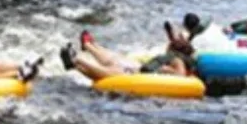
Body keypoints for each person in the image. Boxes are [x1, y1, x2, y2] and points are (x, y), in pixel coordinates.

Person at [59, 29, 195, 81]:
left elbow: (179, 75)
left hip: (136, 72)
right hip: (137, 71)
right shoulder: (176, 59)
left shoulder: (177, 60)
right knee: (112, 64)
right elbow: (181, 75)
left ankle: (84, 53)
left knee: (112, 65)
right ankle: (81, 55)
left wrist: (165, 70)